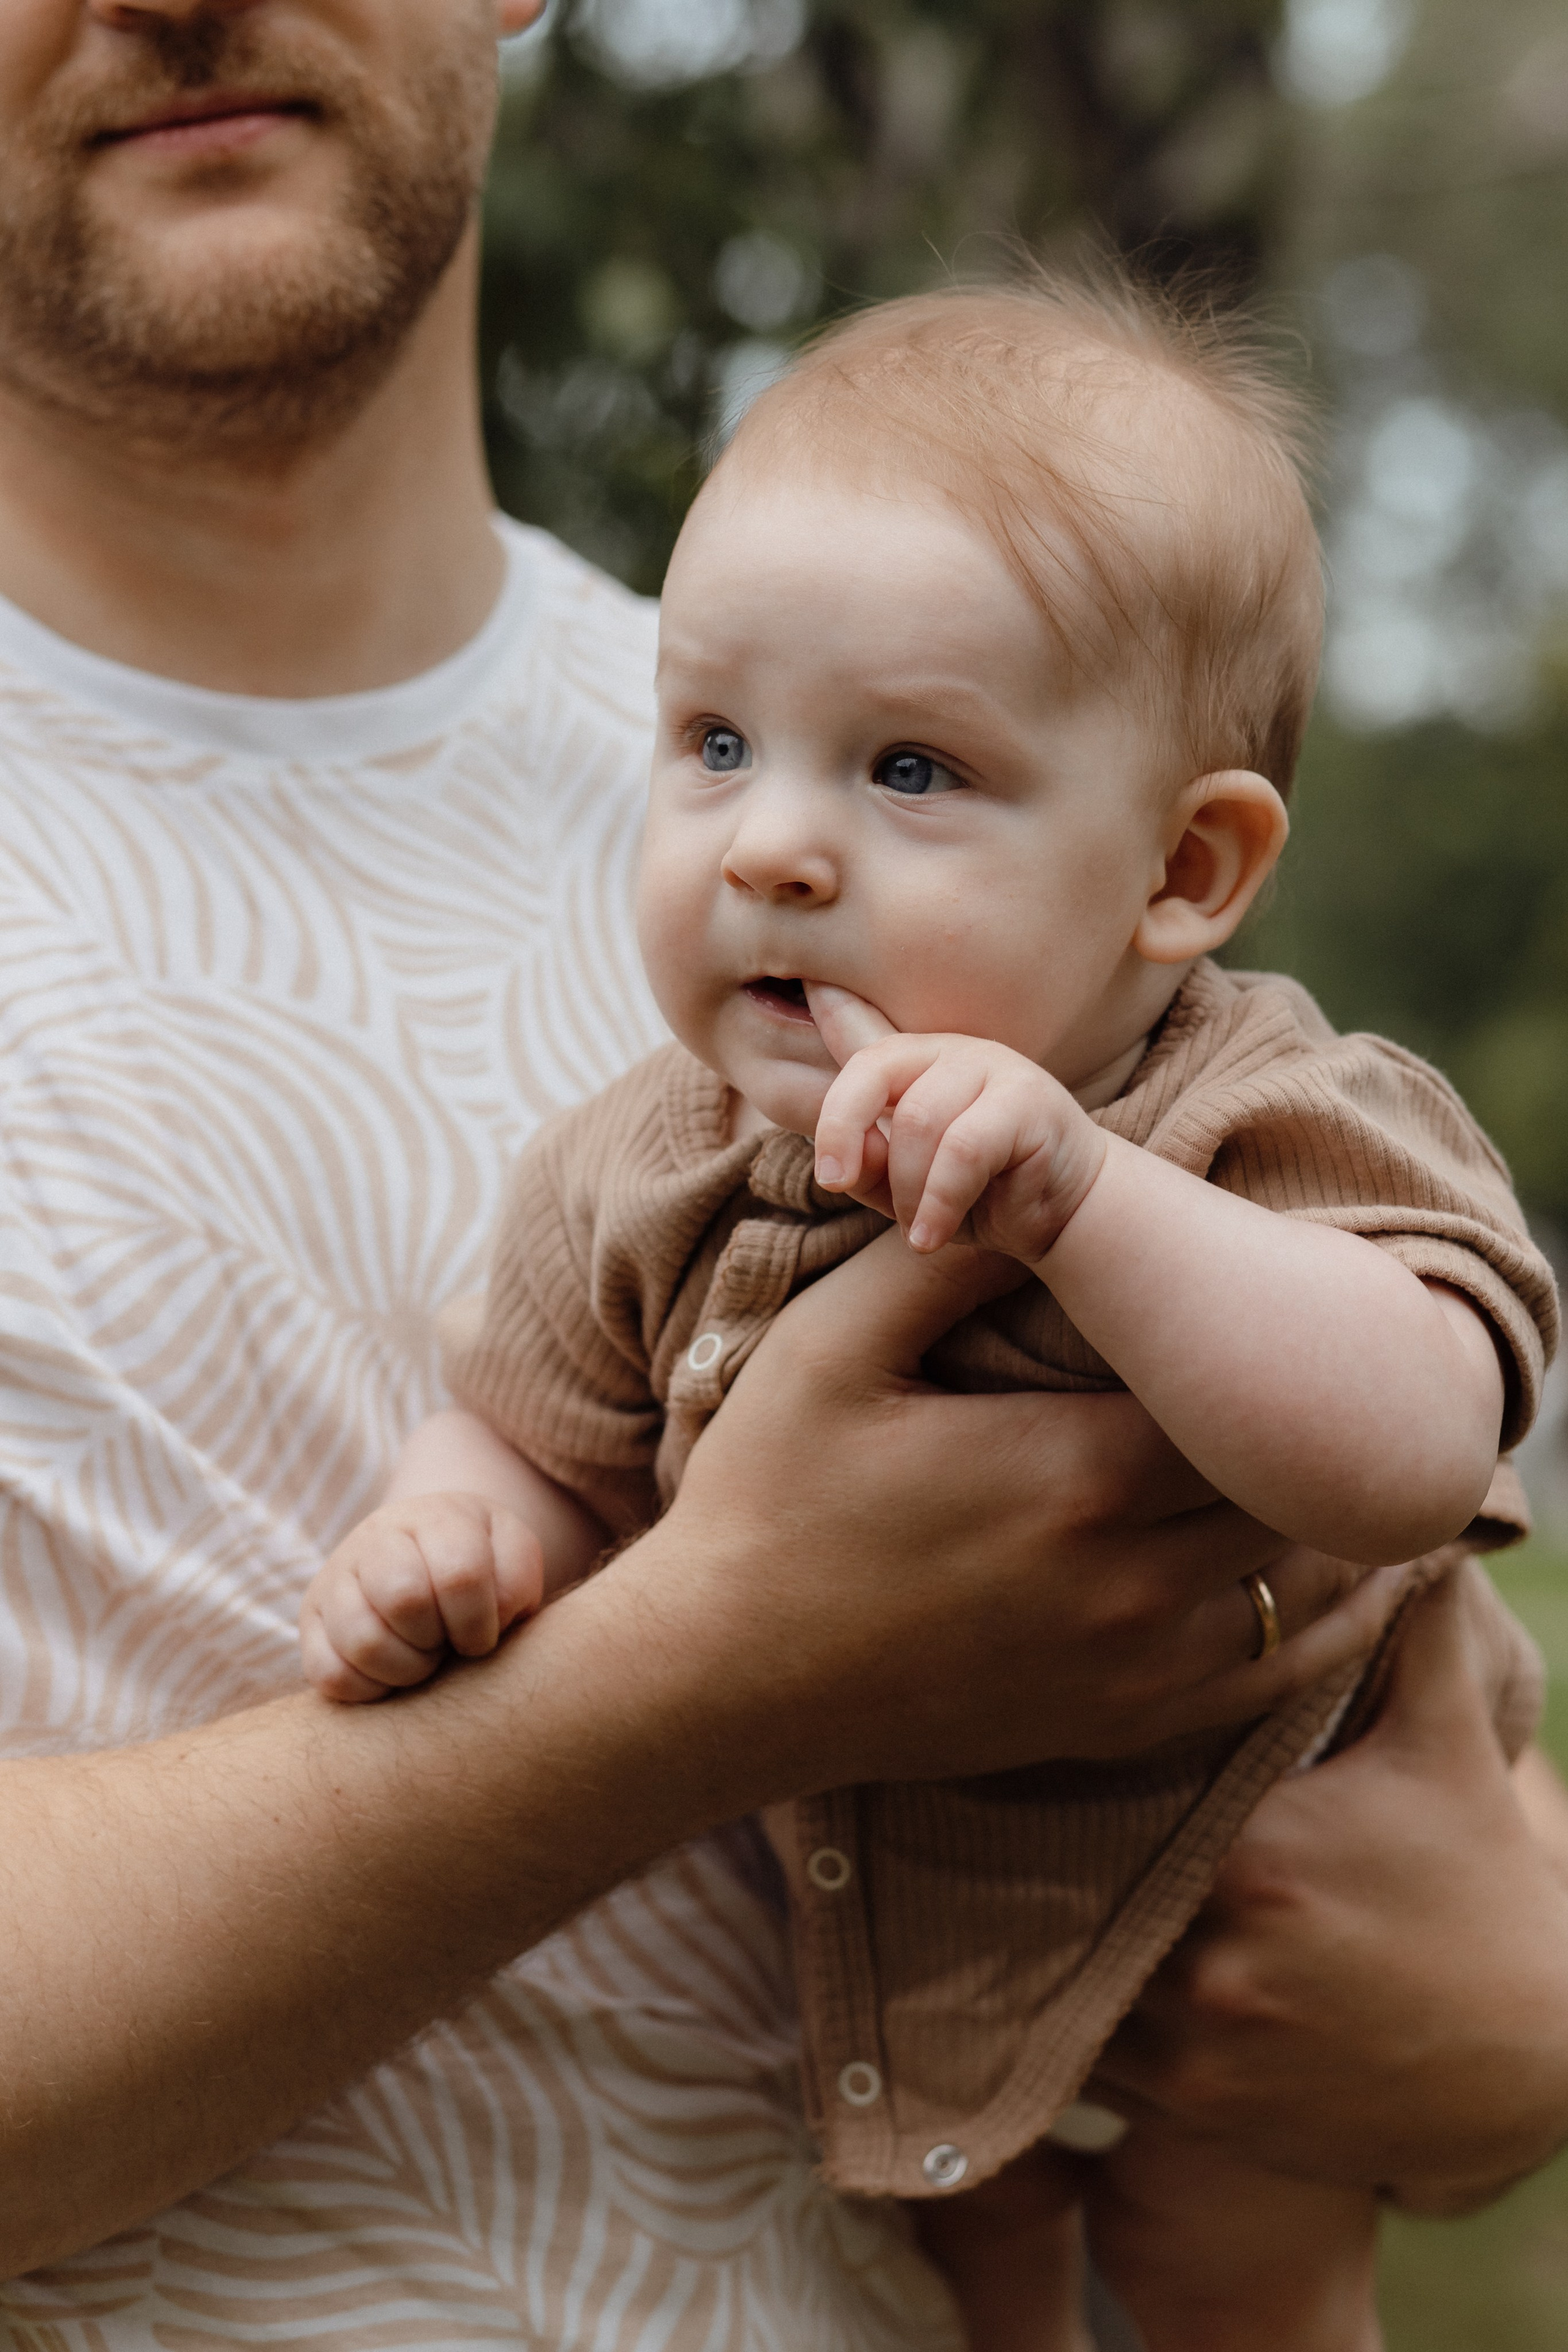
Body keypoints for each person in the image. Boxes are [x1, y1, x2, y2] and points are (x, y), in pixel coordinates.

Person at [0, 3, 1562, 2345]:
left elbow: (1410, 1457)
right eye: (715, 750)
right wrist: (622, 1629)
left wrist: (1510, 2010)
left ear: (1183, 869)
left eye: (897, 770)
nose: (783, 836)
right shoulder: (750, 934)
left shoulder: (930, 712)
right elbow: (530, 1401)